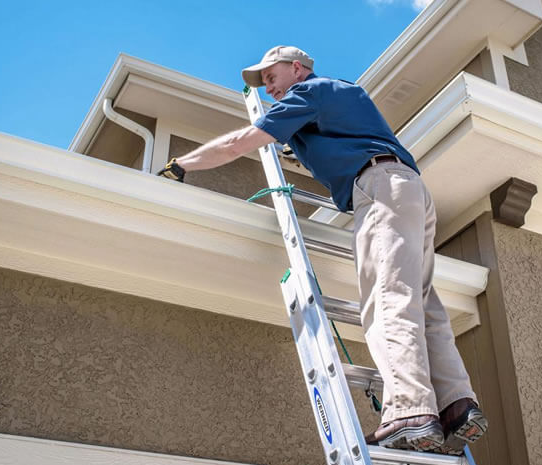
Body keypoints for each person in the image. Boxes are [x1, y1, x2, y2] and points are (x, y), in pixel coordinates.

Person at [158, 45, 488, 454]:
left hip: (378, 187)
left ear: (297, 68)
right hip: (410, 189)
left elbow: (241, 142)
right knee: (421, 303)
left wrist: (182, 164)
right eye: (262, 82)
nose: (267, 86)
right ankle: (457, 405)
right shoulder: (340, 94)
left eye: (271, 75)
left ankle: (409, 410)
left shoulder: (307, 94)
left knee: (387, 301)